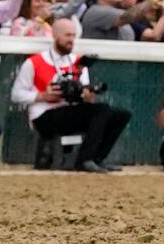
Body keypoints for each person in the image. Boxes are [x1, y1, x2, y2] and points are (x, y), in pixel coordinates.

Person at [19, 16, 129, 170]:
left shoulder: (77, 63)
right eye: (67, 35)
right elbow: (17, 94)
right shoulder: (35, 62)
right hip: (44, 114)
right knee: (102, 109)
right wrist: (42, 96)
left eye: (73, 35)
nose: (71, 39)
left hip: (70, 110)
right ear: (55, 36)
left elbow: (82, 92)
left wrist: (87, 95)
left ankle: (98, 158)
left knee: (121, 115)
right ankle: (85, 160)